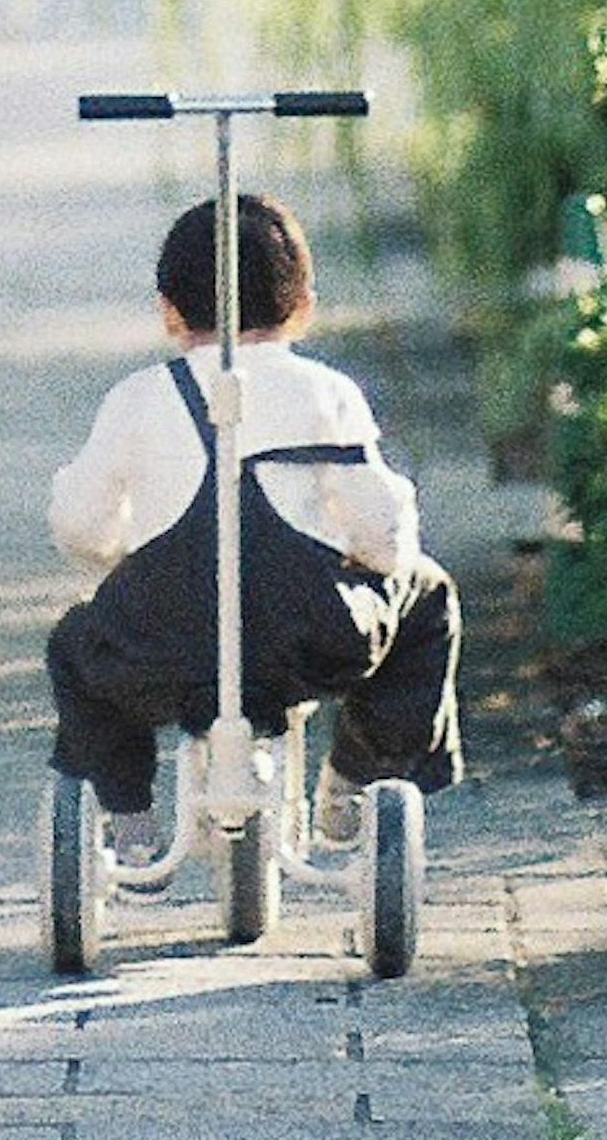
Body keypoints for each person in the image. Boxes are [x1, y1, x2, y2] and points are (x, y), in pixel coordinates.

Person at [45, 187, 462, 848]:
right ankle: (357, 779)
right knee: (428, 596)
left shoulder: (137, 399)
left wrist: (122, 561)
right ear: (303, 307)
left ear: (169, 313)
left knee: (75, 646)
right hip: (305, 639)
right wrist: (372, 561)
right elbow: (382, 535)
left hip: (163, 645)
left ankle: (125, 815)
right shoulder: (327, 394)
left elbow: (79, 525)